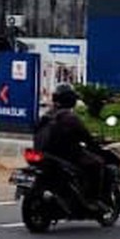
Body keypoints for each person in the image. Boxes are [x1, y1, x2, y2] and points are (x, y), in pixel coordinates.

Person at [34, 83, 110, 214]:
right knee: (97, 164)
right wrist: (95, 145)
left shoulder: (47, 115)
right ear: (70, 100)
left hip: (45, 155)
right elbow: (86, 137)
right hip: (66, 156)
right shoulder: (70, 118)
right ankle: (93, 199)